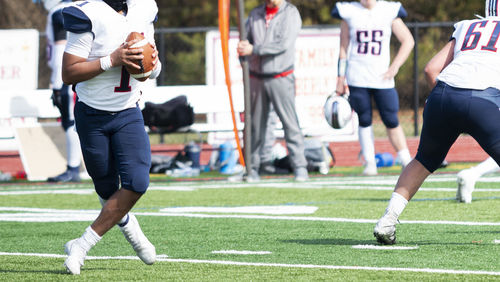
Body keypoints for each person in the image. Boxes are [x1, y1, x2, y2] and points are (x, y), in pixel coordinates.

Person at [373, 0, 500, 245]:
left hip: (443, 96)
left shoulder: (467, 26)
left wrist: (454, 105)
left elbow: (431, 69)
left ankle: (387, 220)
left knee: (422, 161)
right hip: (484, 99)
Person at [60, 0, 161, 274]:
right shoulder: (87, 13)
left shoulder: (143, 8)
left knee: (137, 181)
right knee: (106, 189)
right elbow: (68, 72)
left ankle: (82, 245)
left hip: (128, 111)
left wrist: (150, 65)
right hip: (92, 115)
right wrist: (112, 60)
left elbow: (153, 66)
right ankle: (133, 231)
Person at [331, 0, 415, 176]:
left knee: (391, 119)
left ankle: (405, 158)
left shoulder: (389, 10)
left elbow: (408, 40)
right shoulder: (349, 11)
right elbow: (343, 48)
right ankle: (369, 162)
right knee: (364, 119)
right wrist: (340, 77)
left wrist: (396, 65)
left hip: (382, 77)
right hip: (357, 75)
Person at [237, 0, 309, 182]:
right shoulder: (255, 14)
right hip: (257, 77)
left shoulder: (291, 13)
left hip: (281, 76)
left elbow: (282, 44)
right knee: (254, 126)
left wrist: (254, 49)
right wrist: (243, 51)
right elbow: (246, 41)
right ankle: (252, 168)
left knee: (289, 123)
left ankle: (300, 166)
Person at [42, 0, 83, 183]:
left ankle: (73, 168)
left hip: (68, 75)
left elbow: (61, 48)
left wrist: (57, 82)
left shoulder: (60, 12)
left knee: (71, 122)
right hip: (78, 73)